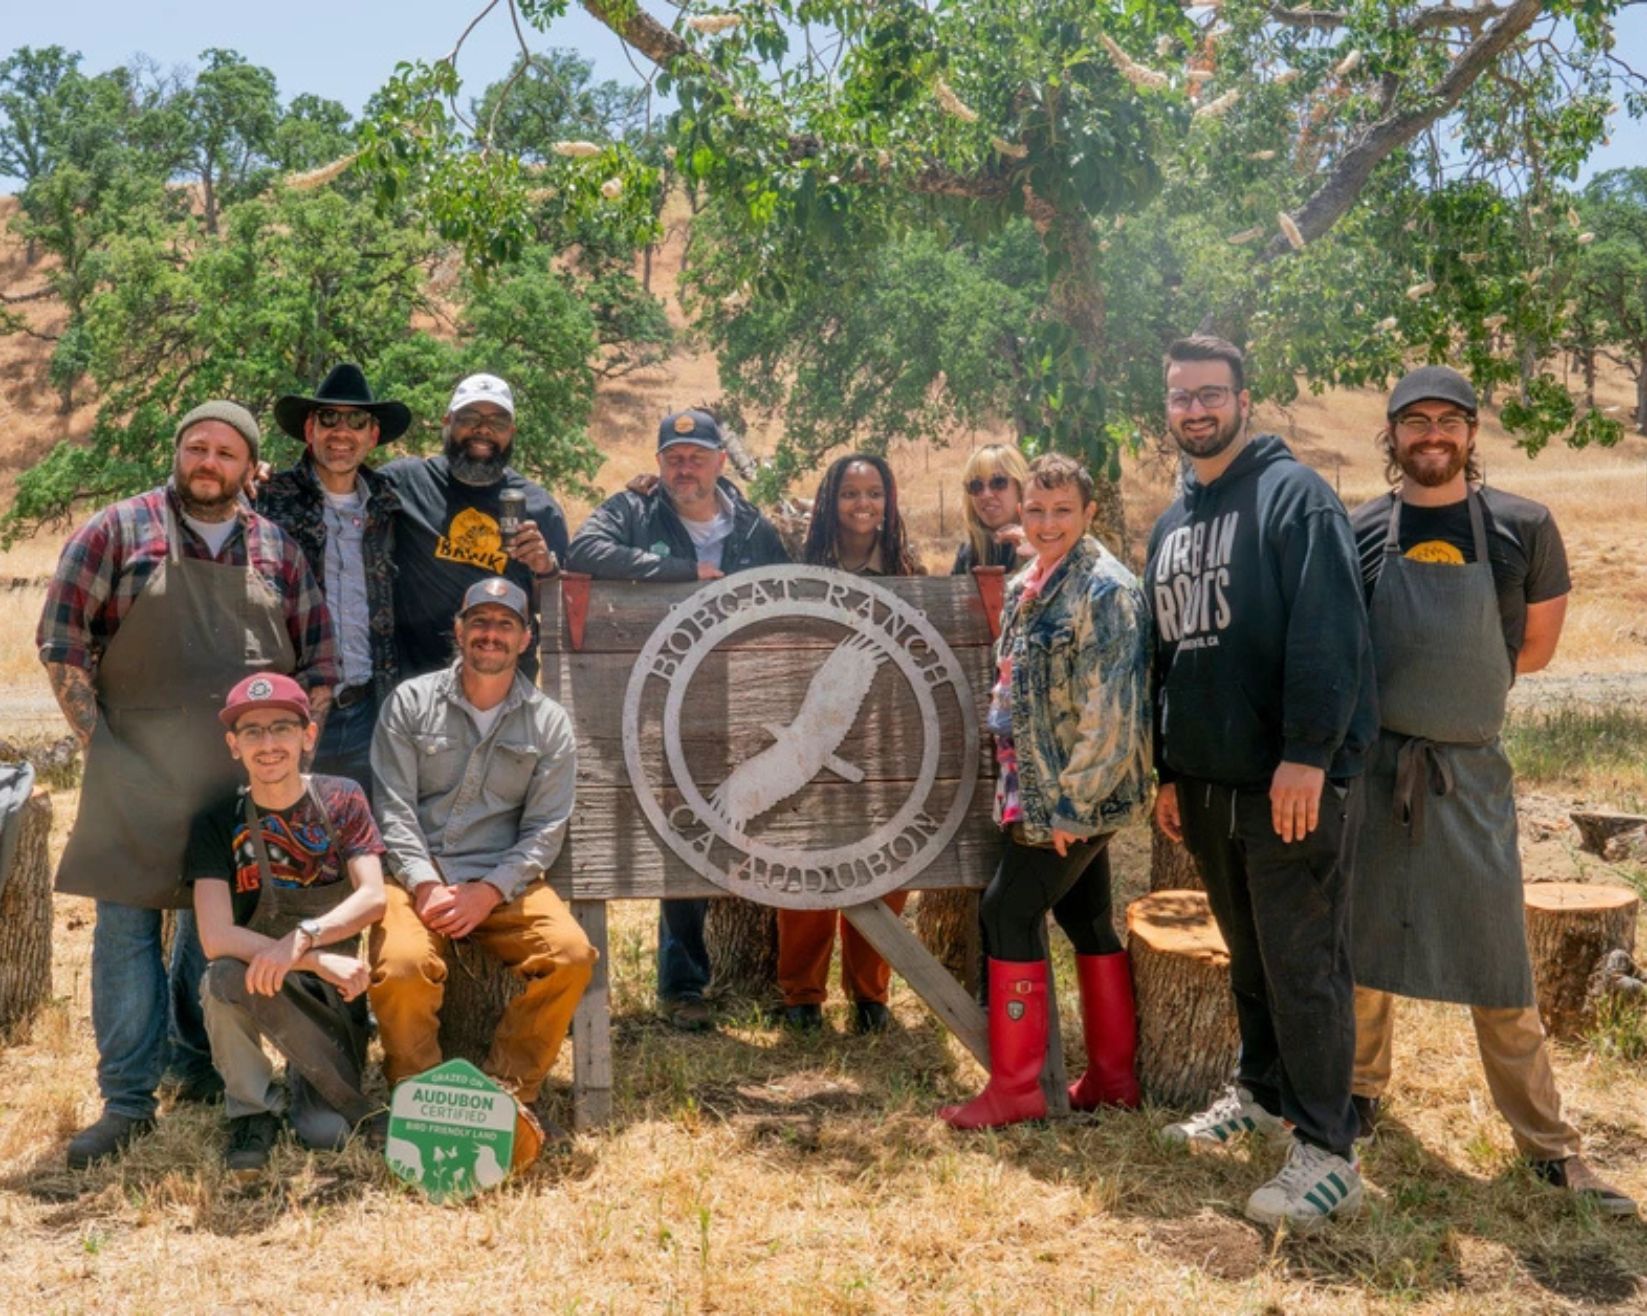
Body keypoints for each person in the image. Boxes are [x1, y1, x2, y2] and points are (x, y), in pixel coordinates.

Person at [1347, 365, 1635, 1214]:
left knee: (1498, 965)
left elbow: (1534, 650)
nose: (1430, 435)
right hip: (1377, 772)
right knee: (1363, 949)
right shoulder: (1358, 528)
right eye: (1413, 421)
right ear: (1391, 434)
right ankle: (1358, 1100)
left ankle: (1549, 1148)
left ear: (1471, 433)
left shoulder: (1521, 526)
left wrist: (1449, 695)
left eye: (1448, 420)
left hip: (1470, 773)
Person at [38, 401, 339, 1169]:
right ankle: (127, 1104)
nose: (210, 462)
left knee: (207, 942)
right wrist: (100, 748)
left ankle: (196, 1067)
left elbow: (320, 668)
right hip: (132, 775)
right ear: (179, 453)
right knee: (127, 935)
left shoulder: (276, 549)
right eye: (198, 448)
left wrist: (290, 760)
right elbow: (63, 641)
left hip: (238, 790)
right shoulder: (116, 529)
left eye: (227, 453)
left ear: (249, 468)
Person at [1147, 335, 1378, 1231]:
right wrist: (1172, 768)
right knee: (1250, 956)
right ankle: (1257, 1092)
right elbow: (1172, 656)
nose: (1194, 410)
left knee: (1305, 965)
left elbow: (1332, 631)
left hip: (1288, 783)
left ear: (1245, 400)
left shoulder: (1295, 497)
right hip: (1207, 787)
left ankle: (1326, 1152)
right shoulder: (1174, 521)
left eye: (1209, 394)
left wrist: (1309, 753)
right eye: (1178, 397)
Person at [939, 453, 1151, 1128]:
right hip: (1033, 788)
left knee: (1006, 912)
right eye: (1035, 510)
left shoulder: (1105, 591)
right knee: (1084, 918)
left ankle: (1016, 1088)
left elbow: (1110, 711)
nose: (1046, 522)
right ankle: (1114, 1079)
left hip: (1071, 798)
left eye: (1062, 511)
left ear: (1090, 513)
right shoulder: (1033, 580)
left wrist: (1072, 806)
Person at [567, 409, 789, 1031]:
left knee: (743, 827)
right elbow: (583, 549)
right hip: (650, 702)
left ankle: (779, 984)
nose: (684, 467)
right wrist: (681, 574)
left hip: (740, 702)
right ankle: (682, 984)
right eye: (673, 456)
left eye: (696, 455)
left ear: (721, 459)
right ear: (659, 463)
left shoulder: (753, 527)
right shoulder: (635, 511)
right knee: (678, 835)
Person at [368, 576, 595, 1130]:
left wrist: (489, 890)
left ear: (524, 639)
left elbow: (545, 828)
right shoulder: (410, 703)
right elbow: (393, 808)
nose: (490, 634)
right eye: (480, 622)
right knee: (399, 967)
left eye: (505, 625)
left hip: (502, 882)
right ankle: (419, 1105)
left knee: (570, 956)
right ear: (459, 630)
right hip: (413, 874)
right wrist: (424, 884)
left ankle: (503, 1102)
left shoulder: (548, 723)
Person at [186, 673, 387, 1178]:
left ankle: (311, 1087)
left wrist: (305, 939)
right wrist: (312, 955)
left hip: (332, 991)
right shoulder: (216, 818)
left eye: (281, 728)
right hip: (272, 975)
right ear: (233, 746)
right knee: (222, 978)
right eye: (251, 732)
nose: (268, 744)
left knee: (328, 1136)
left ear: (308, 736)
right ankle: (253, 1110)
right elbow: (215, 937)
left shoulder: (342, 800)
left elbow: (373, 896)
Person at [776, 453, 920, 1034]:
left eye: (875, 493)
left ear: (889, 502)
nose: (863, 504)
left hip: (886, 738)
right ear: (830, 501)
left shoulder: (910, 572)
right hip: (815, 734)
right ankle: (802, 997)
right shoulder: (801, 569)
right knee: (804, 863)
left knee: (886, 865)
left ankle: (870, 995)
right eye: (850, 493)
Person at [257, 363, 410, 788]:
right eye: (329, 418)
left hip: (370, 711)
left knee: (362, 839)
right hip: (288, 708)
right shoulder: (267, 498)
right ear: (310, 429)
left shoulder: (390, 506)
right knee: (289, 837)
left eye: (357, 420)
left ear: (372, 435)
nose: (342, 432)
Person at [379, 373, 566, 680]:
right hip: (415, 685)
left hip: (504, 687)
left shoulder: (539, 507)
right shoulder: (406, 483)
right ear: (447, 421)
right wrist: (272, 478)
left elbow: (562, 613)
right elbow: (340, 491)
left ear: (512, 431)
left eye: (498, 421)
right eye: (470, 417)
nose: (484, 429)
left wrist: (544, 569)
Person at [950, 443, 1034, 575]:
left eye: (998, 482)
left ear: (1020, 487)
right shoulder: (968, 555)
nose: (986, 494)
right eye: (976, 486)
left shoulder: (1047, 544)